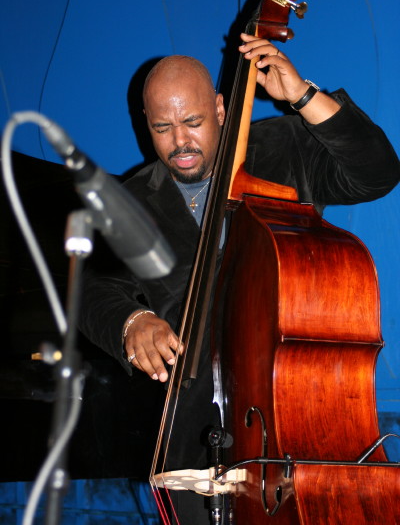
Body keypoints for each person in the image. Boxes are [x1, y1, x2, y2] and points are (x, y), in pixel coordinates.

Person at [80, 33, 400, 523]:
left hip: (298, 426)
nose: (180, 142)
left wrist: (303, 96)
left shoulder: (281, 149)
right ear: (145, 125)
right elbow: (89, 291)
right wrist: (131, 320)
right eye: (162, 128)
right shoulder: (130, 203)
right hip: (193, 443)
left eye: (193, 122)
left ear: (222, 108)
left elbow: (376, 173)